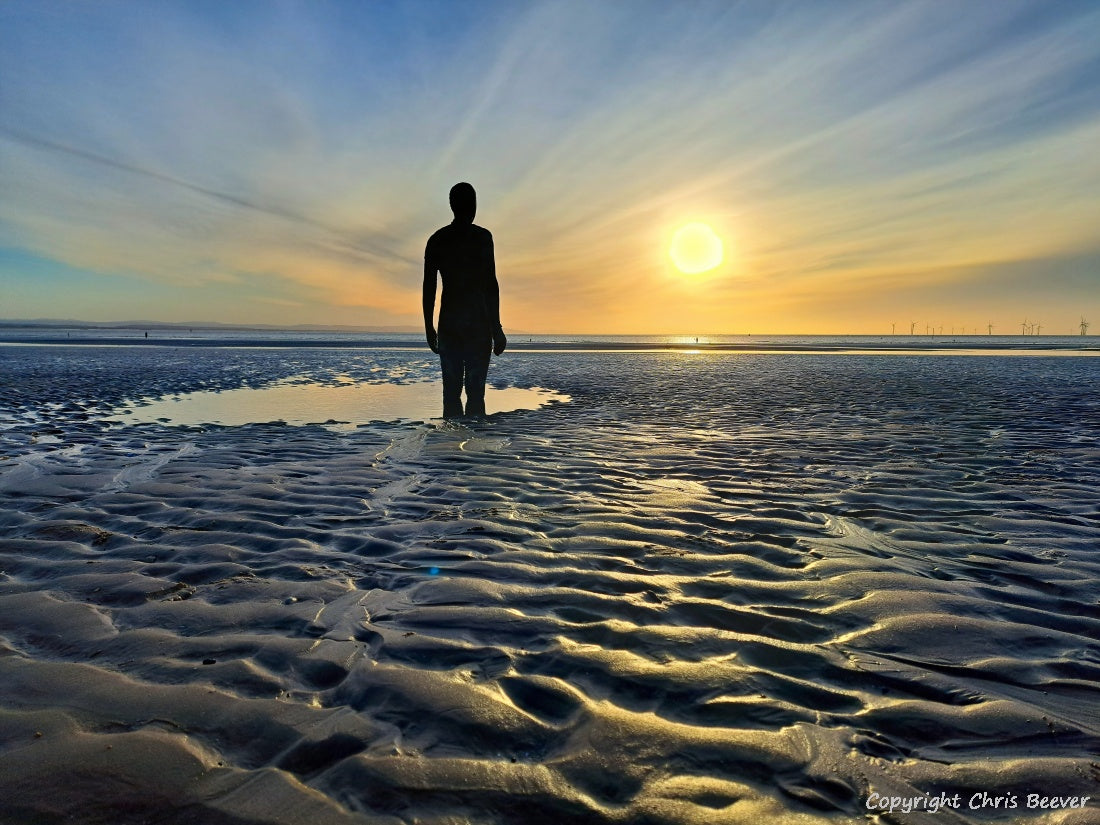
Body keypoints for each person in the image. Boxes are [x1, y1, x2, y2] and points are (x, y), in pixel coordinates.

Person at [423, 182, 507, 418]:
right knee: (464, 392)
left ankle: (467, 449)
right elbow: (429, 287)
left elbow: (491, 283)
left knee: (464, 391)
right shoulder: (461, 239)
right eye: (470, 203)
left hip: (465, 324)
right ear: (456, 206)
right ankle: (460, 448)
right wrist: (429, 328)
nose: (472, 208)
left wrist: (497, 329)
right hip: (466, 325)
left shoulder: (445, 239)